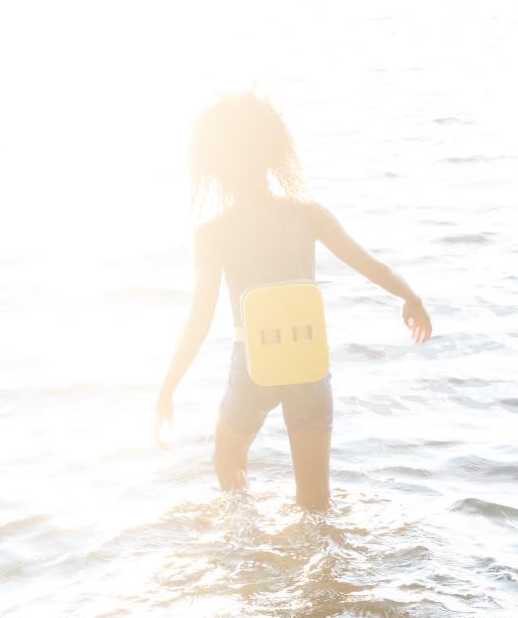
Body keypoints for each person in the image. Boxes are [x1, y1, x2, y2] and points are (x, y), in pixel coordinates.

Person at [153, 91, 433, 512]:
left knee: (227, 461)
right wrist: (410, 297)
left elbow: (200, 319)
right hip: (308, 364)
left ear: (215, 164)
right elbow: (369, 265)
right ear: (273, 154)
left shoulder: (215, 233)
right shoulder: (308, 215)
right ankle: (322, 569)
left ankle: (247, 545)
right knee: (316, 501)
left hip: (253, 367)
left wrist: (168, 388)